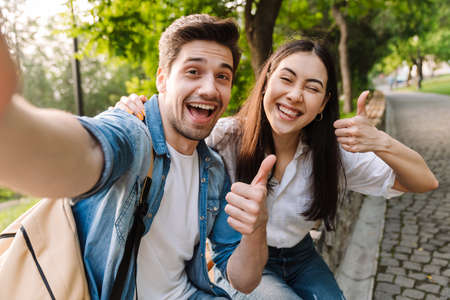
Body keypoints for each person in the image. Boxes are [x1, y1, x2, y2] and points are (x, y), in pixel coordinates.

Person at [117, 39, 438, 300]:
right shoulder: (224, 136)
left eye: (312, 88)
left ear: (324, 103)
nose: (295, 95)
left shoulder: (334, 154)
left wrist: (380, 142)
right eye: (286, 79)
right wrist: (134, 109)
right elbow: (173, 124)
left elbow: (424, 181)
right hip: (241, 258)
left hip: (300, 256)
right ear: (266, 80)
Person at [0, 14, 277, 299]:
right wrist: (10, 123)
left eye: (222, 76)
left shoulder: (214, 169)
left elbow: (244, 281)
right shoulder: (132, 133)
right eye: (193, 72)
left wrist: (257, 228)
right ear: (162, 78)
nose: (209, 89)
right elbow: (79, 152)